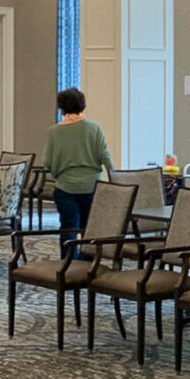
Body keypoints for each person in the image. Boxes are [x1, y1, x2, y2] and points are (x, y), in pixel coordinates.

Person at [41, 87, 113, 257]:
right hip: (92, 186)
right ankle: (87, 263)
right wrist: (115, 178)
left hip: (66, 186)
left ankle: (68, 264)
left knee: (68, 226)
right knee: (90, 227)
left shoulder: (54, 131)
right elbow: (105, 156)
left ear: (61, 108)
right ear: (82, 105)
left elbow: (47, 163)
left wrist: (55, 173)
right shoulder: (94, 127)